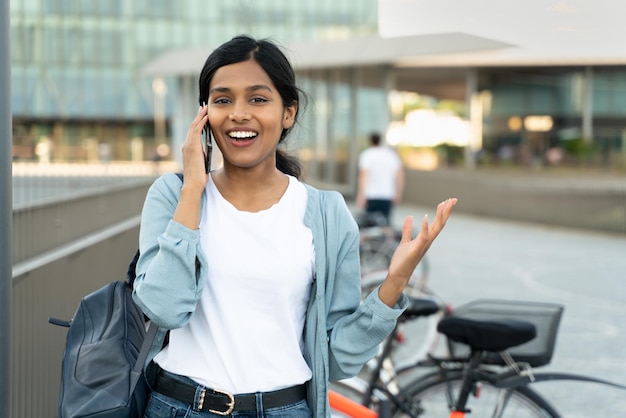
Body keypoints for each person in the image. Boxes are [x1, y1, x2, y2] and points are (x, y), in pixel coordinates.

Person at [132, 35, 457, 418]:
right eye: (222, 100)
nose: (238, 113)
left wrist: (393, 284)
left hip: (284, 409)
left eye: (257, 98)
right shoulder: (172, 196)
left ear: (288, 112)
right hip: (179, 406)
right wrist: (192, 192)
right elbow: (163, 309)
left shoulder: (326, 213)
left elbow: (335, 360)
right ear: (204, 115)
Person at [356, 132, 405, 225]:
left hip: (371, 195)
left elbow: (363, 176)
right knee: (386, 224)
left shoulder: (366, 155)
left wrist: (361, 194)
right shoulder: (391, 155)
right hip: (387, 194)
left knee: (369, 224)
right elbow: (399, 175)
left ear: (370, 141)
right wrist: (398, 193)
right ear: (381, 140)